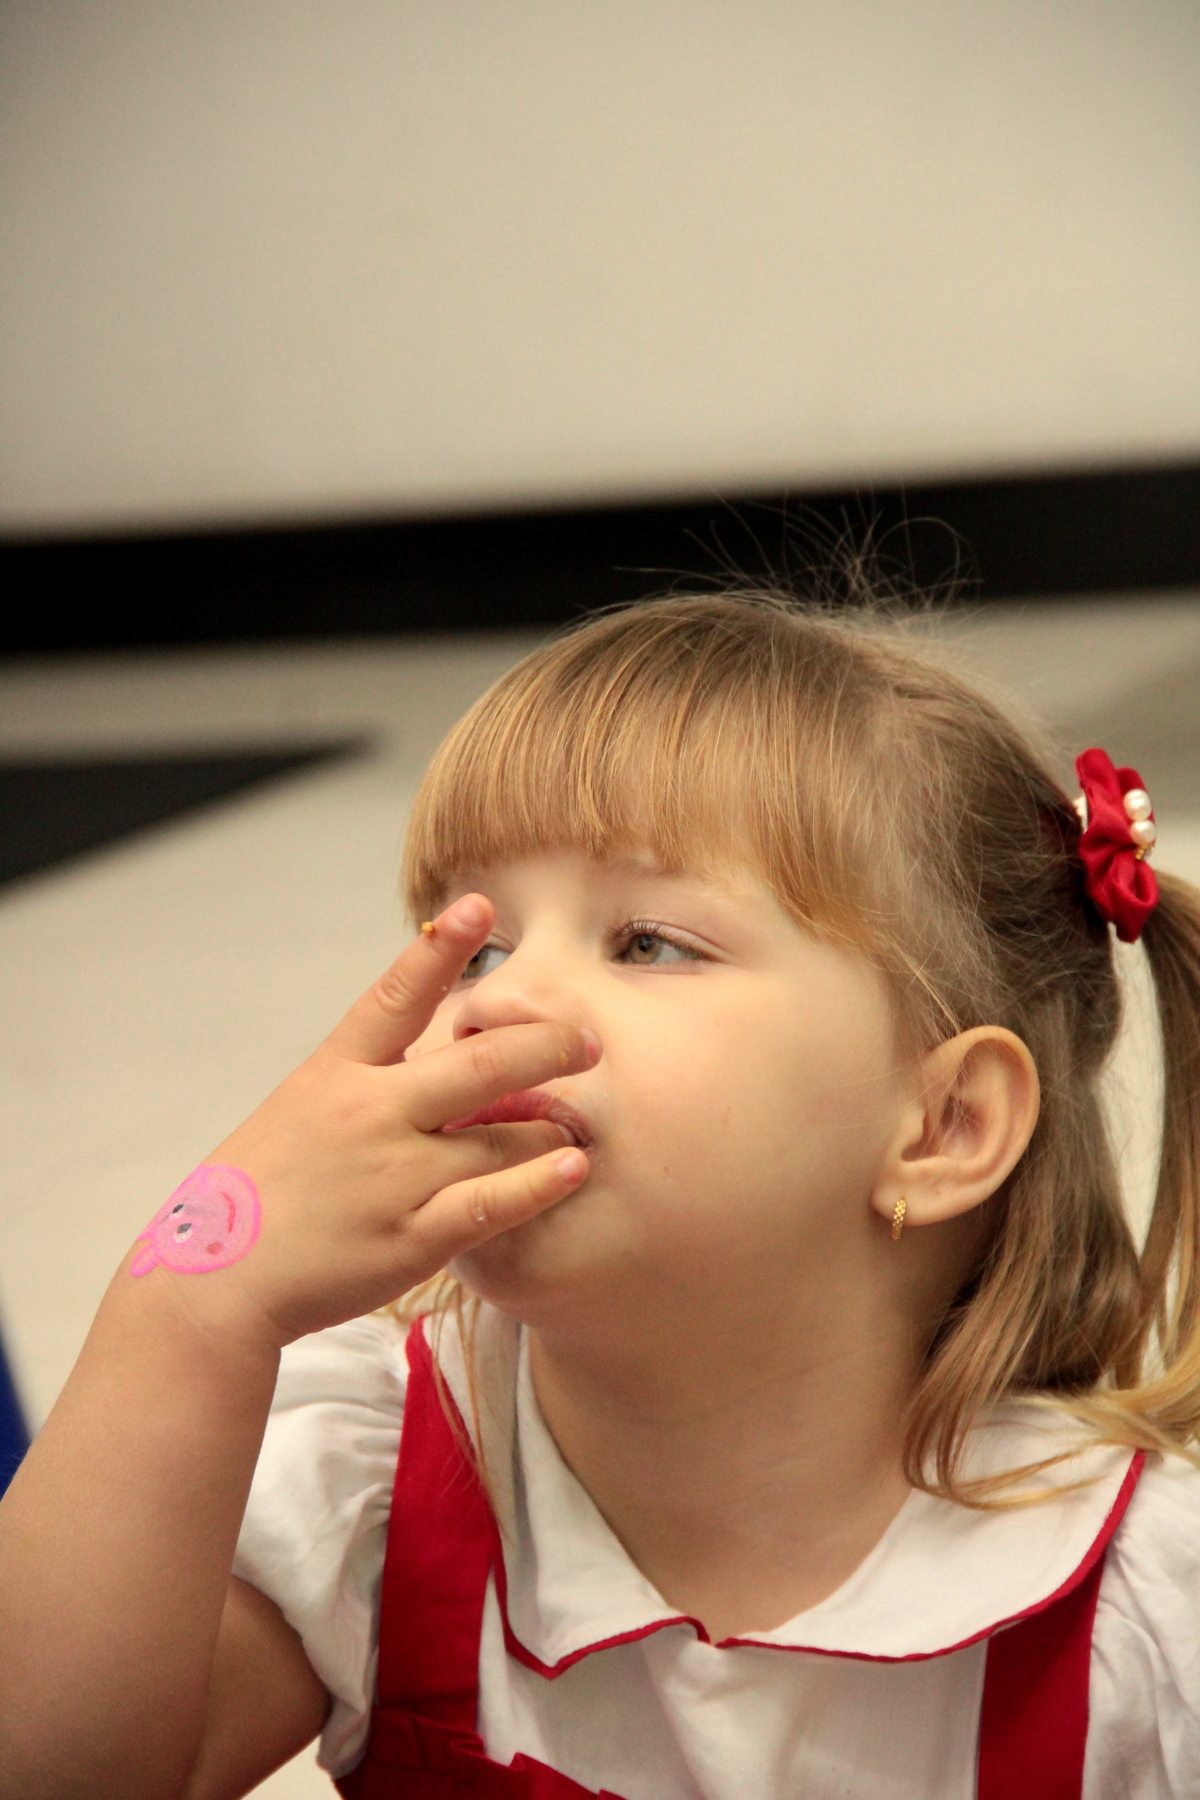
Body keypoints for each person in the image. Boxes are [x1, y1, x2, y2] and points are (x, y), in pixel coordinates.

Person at [2, 592, 1199, 1800]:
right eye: (478, 946)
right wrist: (197, 1308)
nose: (491, 1003)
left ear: (943, 1126)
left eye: (647, 943)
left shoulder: (1144, 1617)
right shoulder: (379, 1475)